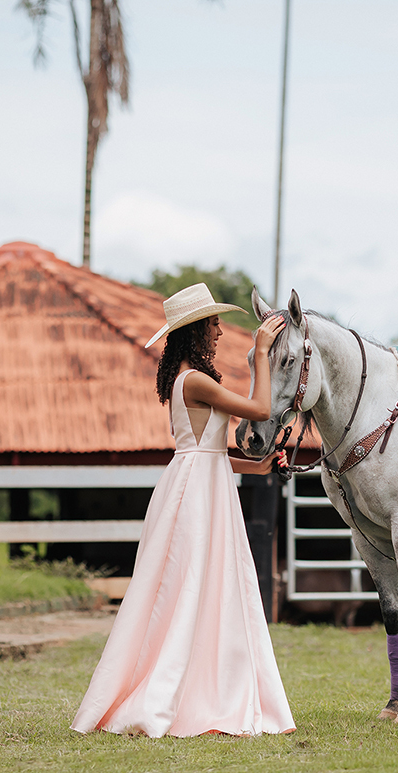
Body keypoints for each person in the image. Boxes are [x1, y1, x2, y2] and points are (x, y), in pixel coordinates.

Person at [71, 283, 295, 738]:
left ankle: (200, 690)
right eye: (213, 323)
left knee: (207, 586)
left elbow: (207, 450)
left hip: (204, 484)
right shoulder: (194, 381)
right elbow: (260, 408)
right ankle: (167, 696)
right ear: (195, 331)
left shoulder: (189, 380)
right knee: (189, 585)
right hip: (196, 494)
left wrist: (257, 467)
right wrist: (261, 351)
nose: (219, 331)